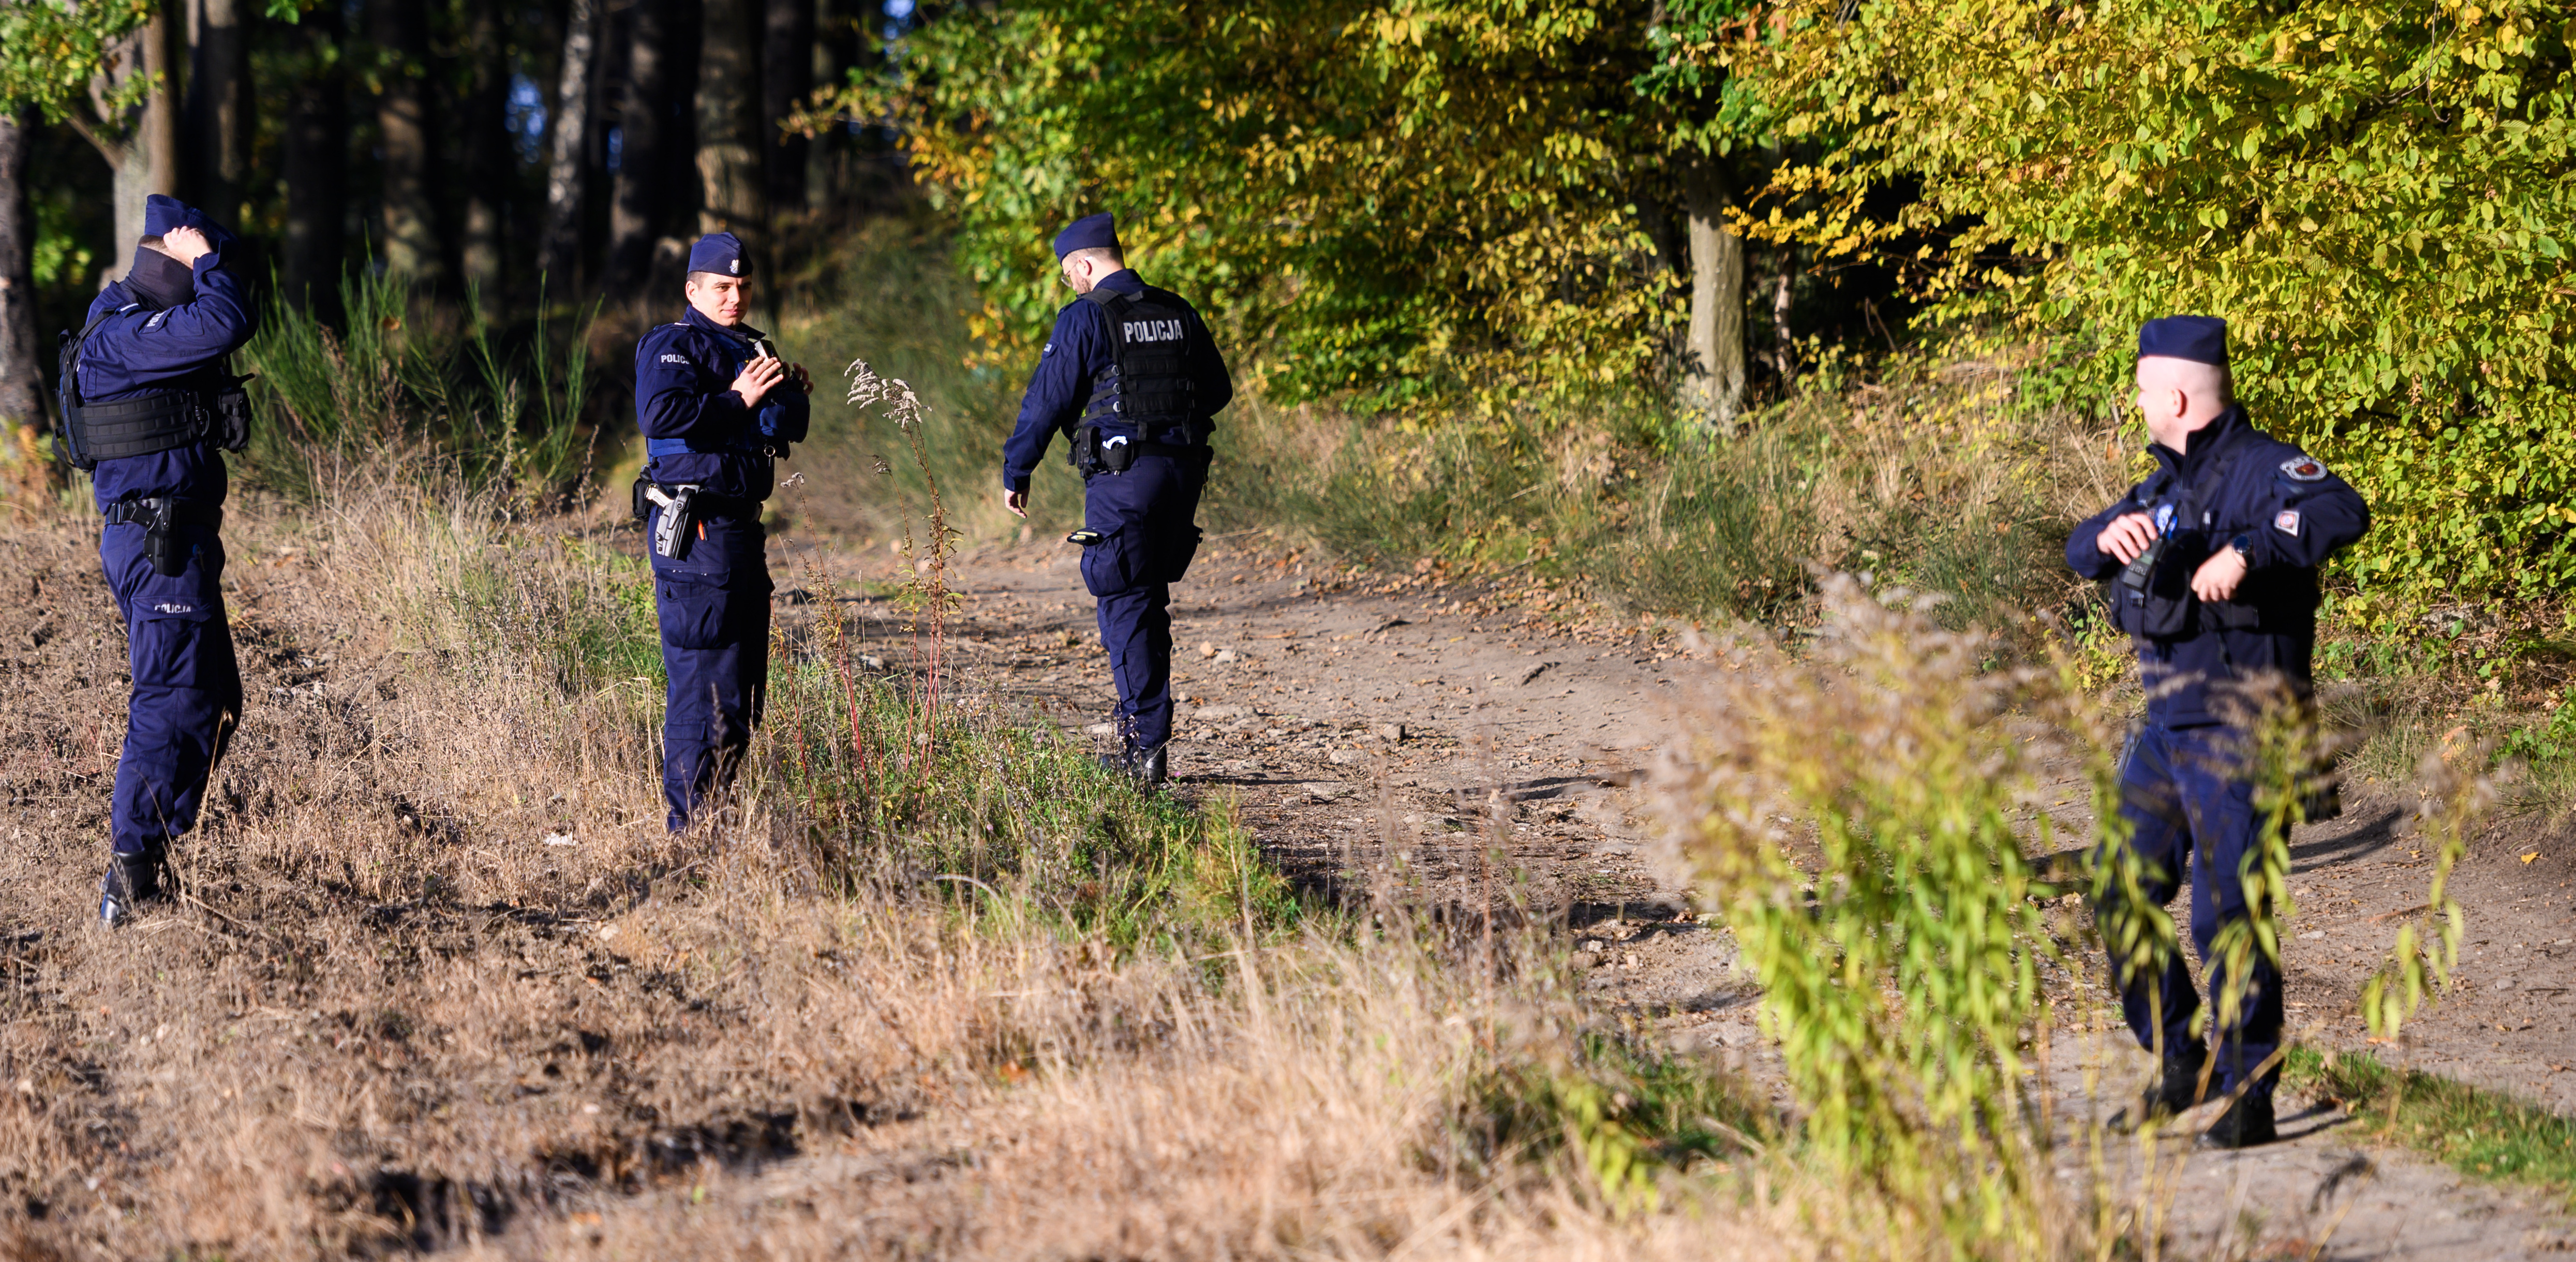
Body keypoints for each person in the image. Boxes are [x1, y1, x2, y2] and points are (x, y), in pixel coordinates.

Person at [2067, 315, 2370, 1147]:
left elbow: (2342, 508)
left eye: (2138, 388)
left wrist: (2247, 551)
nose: (2133, 402)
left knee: (2227, 910)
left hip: (2241, 727)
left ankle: (2248, 1091)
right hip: (2166, 729)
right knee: (2118, 885)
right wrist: (2103, 535)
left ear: (2171, 393)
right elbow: (2077, 548)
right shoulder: (2159, 488)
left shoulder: (2267, 470)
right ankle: (2177, 1057)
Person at [53, 195, 256, 927]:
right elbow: (227, 319)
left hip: (178, 540)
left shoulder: (139, 325)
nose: (215, 274)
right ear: (174, 257)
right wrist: (205, 257)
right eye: (202, 263)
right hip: (156, 540)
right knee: (171, 696)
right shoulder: (124, 333)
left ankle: (150, 858)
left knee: (215, 698)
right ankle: (132, 876)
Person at [1001, 213, 1233, 788]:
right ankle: (1141, 725)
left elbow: (1047, 401)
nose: (1070, 285)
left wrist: (1017, 467)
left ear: (1083, 264)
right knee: (1146, 597)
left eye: (1067, 275)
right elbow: (1218, 391)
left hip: (1123, 477)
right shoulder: (1176, 309)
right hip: (1181, 475)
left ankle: (1143, 745)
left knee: (1123, 599)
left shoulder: (1086, 316)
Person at [632, 231, 810, 830]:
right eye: (721, 287)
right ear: (693, 289)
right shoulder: (673, 345)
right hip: (695, 529)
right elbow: (662, 414)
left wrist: (788, 391)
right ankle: (689, 833)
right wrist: (738, 399)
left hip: (739, 535)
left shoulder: (753, 346)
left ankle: (716, 821)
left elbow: (788, 425)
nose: (735, 297)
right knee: (702, 690)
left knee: (740, 699)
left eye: (743, 286)